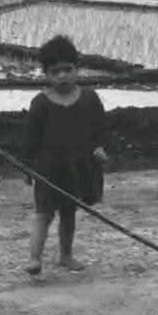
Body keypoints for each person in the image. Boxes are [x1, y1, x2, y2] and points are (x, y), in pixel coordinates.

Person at [22, 35, 108, 276]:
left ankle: (66, 255)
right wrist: (28, 167)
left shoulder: (89, 99)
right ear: (46, 74)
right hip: (48, 169)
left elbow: (99, 128)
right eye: (55, 71)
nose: (62, 76)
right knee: (44, 213)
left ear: (77, 69)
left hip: (76, 167)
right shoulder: (41, 103)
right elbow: (31, 139)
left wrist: (100, 147)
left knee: (69, 212)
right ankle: (34, 258)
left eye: (67, 70)